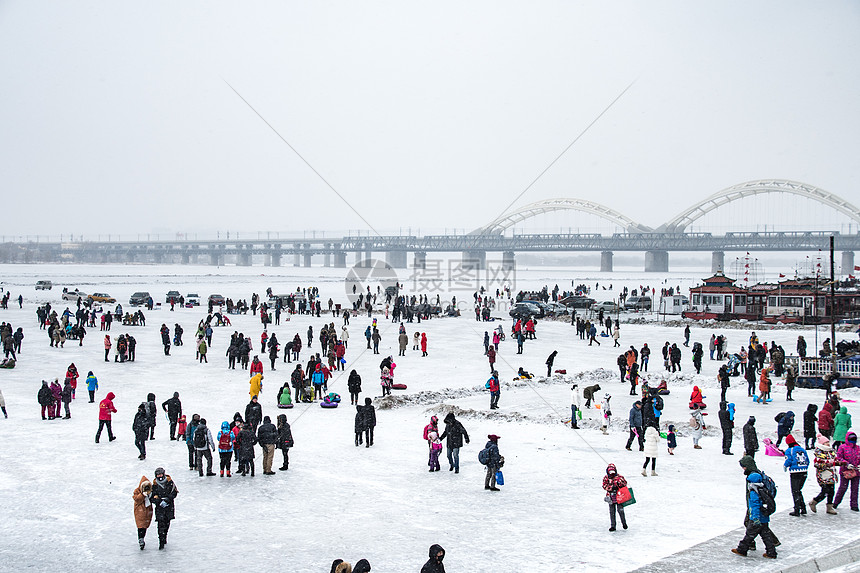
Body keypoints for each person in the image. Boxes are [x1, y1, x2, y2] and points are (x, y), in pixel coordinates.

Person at [732, 462, 778, 558]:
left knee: (749, 535)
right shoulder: (763, 489)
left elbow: (755, 506)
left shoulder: (754, 492)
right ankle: (771, 552)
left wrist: (755, 518)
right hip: (764, 517)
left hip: (756, 518)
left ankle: (742, 549)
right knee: (766, 536)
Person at [808, 435, 839, 515]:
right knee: (825, 491)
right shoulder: (819, 452)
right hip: (823, 475)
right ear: (822, 444)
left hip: (831, 474)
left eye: (828, 442)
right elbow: (817, 464)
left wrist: (840, 463)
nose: (828, 444)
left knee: (831, 491)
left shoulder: (831, 452)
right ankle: (814, 502)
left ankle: (829, 507)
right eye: (826, 443)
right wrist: (827, 465)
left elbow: (835, 461)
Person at [150, 467, 178, 550]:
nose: (160, 476)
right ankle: (161, 540)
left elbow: (174, 493)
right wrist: (158, 501)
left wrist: (168, 499)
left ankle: (165, 535)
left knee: (167, 522)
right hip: (160, 508)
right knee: (160, 524)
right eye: (158, 475)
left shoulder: (170, 482)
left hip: (169, 506)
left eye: (161, 474)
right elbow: (151, 497)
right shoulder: (154, 485)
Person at [783, 434, 810, 516]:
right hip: (804, 472)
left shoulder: (789, 450)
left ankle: (797, 510)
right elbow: (807, 460)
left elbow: (789, 460)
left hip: (795, 472)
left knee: (795, 491)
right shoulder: (802, 449)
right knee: (798, 490)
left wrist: (785, 466)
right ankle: (803, 508)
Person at [833, 431, 860, 511]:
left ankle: (854, 505)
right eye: (851, 439)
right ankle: (835, 503)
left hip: (856, 472)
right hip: (845, 471)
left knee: (855, 489)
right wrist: (846, 464)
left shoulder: (858, 448)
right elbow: (839, 457)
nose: (853, 441)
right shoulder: (842, 447)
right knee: (843, 488)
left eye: (854, 439)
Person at [603, 463, 628, 531]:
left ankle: (624, 523)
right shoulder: (606, 478)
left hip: (619, 496)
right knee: (612, 511)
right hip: (610, 497)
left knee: (620, 510)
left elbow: (624, 483)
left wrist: (618, 485)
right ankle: (613, 525)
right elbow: (604, 485)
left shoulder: (619, 477)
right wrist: (610, 488)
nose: (611, 474)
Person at [132, 475, 153, 550]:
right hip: (139, 510)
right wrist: (143, 495)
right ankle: (141, 539)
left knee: (145, 525)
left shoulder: (151, 491)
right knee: (140, 525)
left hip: (148, 510)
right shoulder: (137, 491)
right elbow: (137, 499)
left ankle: (142, 537)